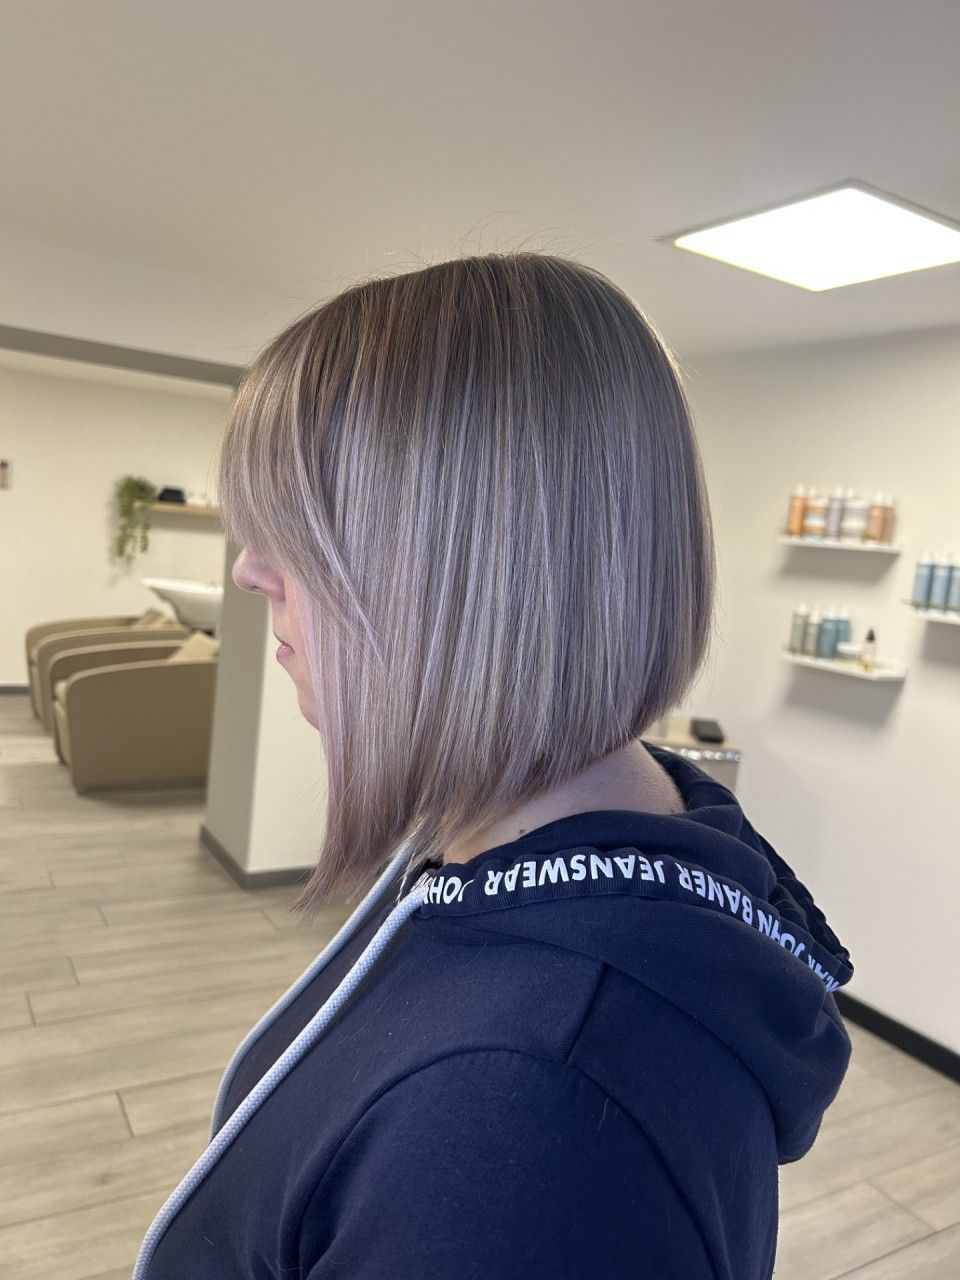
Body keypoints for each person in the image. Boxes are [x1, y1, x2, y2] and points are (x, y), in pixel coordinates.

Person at [132, 252, 853, 1279]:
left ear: (471, 565)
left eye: (297, 522)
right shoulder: (631, 840)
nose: (250, 564)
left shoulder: (521, 1120)